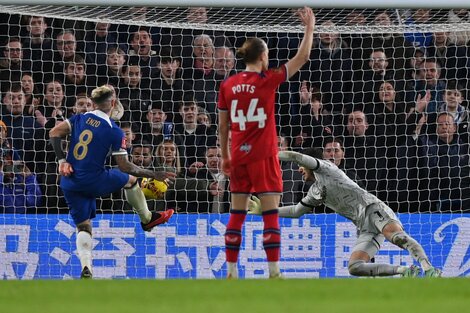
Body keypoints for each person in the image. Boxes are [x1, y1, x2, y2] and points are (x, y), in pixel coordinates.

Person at [217, 7, 315, 279]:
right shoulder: (267, 80)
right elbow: (303, 57)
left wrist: (225, 155)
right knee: (270, 214)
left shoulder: (227, 85)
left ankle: (232, 272)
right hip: (263, 155)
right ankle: (273, 271)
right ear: (262, 57)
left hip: (237, 156)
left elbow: (223, 125)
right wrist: (309, 26)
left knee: (236, 215)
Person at [250, 149, 442, 278]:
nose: (299, 170)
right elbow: (295, 211)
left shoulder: (327, 168)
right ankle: (407, 271)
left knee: (397, 238)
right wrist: (266, 211)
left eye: (302, 167)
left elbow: (296, 156)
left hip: (372, 208)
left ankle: (429, 269)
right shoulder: (315, 191)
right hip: (364, 226)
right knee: (355, 267)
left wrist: (269, 155)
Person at [48, 85, 176, 279]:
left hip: (69, 181)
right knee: (131, 180)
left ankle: (86, 266)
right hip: (93, 179)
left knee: (83, 226)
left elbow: (54, 132)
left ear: (92, 103)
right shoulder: (114, 131)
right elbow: (125, 167)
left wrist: (62, 161)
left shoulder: (79, 119)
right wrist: (153, 173)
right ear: (114, 103)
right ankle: (147, 218)